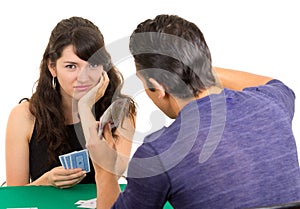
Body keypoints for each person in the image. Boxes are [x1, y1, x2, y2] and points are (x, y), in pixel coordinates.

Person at [86, 14, 300, 208]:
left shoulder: (159, 152)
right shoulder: (272, 103)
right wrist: (193, 67)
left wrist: (105, 170)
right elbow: (273, 84)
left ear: (158, 87)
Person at [5, 16, 136, 189]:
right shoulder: (24, 116)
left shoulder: (122, 111)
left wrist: (84, 108)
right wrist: (45, 182)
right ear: (52, 67)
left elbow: (112, 174)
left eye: (92, 65)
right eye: (71, 66)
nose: (83, 77)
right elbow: (14, 196)